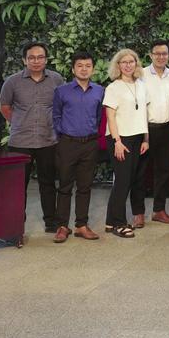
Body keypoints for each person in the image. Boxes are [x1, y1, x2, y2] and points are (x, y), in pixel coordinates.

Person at [0, 41, 64, 236]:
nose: (36, 61)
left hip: (48, 139)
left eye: (40, 57)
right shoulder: (12, 82)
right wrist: (19, 122)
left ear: (46, 59)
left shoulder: (57, 79)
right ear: (24, 60)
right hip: (20, 141)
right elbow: (5, 107)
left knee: (48, 183)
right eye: (32, 58)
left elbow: (61, 106)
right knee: (18, 186)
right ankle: (16, 223)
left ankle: (51, 222)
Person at [51, 51, 104, 242]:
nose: (84, 69)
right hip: (68, 143)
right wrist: (63, 133)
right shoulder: (62, 91)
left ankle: (81, 225)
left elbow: (99, 117)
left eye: (88, 66)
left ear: (93, 69)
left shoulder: (99, 91)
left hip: (90, 143)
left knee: (85, 186)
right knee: (65, 185)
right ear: (73, 69)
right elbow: (56, 116)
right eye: (80, 66)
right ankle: (62, 226)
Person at [103, 48, 149, 239]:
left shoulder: (141, 85)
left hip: (138, 137)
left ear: (136, 64)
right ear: (118, 65)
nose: (128, 65)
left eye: (131, 62)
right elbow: (110, 117)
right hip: (120, 138)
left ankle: (109, 221)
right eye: (124, 62)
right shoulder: (113, 88)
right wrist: (117, 142)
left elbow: (143, 113)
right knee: (122, 182)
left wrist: (146, 138)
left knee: (129, 181)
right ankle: (119, 223)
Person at [140, 39, 169, 225]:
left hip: (166, 129)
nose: (161, 57)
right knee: (140, 172)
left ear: (168, 55)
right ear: (151, 55)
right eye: (157, 53)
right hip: (144, 129)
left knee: (163, 172)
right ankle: (138, 212)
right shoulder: (141, 75)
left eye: (164, 53)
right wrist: (144, 134)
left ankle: (159, 210)